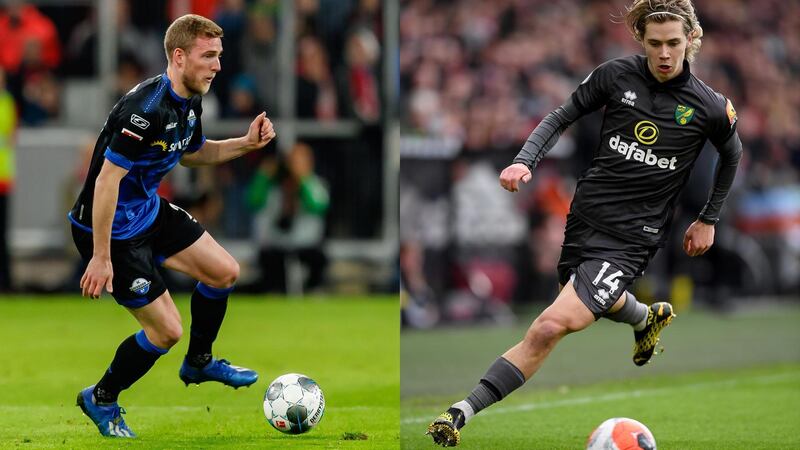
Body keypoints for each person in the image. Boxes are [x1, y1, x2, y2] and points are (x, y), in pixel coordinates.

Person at [427, 0, 743, 446]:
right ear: (642, 40)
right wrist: (524, 161)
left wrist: (709, 218)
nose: (665, 54)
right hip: (584, 221)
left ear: (690, 39)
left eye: (674, 43)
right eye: (655, 44)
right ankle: (644, 318)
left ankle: (460, 411)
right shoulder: (615, 75)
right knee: (587, 297)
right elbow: (562, 115)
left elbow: (733, 155)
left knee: (549, 326)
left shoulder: (709, 106)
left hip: (631, 239)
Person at [68, 14, 275, 438]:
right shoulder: (145, 110)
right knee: (166, 331)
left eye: (219, 56)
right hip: (109, 231)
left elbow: (192, 152)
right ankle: (101, 397)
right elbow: (107, 181)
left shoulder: (188, 99)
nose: (218, 66)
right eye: (209, 56)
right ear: (179, 57)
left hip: (146, 211)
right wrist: (102, 257)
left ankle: (199, 362)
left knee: (224, 271)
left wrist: (246, 143)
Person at [246, 141, 329, 293]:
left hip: (307, 243)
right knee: (267, 258)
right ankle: (273, 293)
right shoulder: (274, 186)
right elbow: (253, 201)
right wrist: (264, 175)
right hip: (278, 243)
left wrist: (303, 178)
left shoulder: (316, 183)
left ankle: (314, 291)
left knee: (319, 258)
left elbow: (318, 205)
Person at [0, 67, 15, 291]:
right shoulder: (7, 102)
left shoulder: (6, 102)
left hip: (3, 178)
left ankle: (5, 282)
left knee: (3, 235)